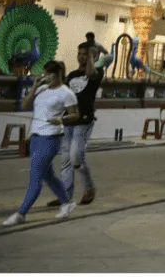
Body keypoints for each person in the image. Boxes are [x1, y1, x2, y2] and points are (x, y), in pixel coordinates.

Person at [3, 61, 80, 226]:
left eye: (50, 74)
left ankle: (21, 213)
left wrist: (62, 119)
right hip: (36, 137)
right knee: (48, 175)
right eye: (45, 74)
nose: (47, 77)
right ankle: (67, 203)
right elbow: (24, 105)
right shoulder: (42, 89)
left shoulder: (66, 93)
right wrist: (34, 87)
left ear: (59, 73)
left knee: (35, 177)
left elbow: (75, 115)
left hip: (51, 138)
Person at [56, 37, 112, 207]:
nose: (81, 57)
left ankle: (89, 188)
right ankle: (65, 196)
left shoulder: (97, 73)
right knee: (65, 160)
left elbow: (90, 73)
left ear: (93, 57)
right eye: (79, 54)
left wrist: (93, 56)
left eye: (85, 55)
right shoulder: (72, 75)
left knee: (76, 157)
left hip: (84, 121)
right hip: (68, 121)